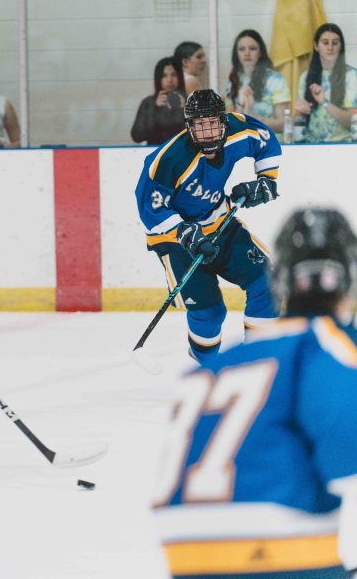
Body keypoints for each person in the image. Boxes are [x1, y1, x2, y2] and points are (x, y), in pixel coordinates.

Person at [153, 207, 357, 578]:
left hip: (184, 558)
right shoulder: (326, 345)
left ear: (280, 281)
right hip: (280, 556)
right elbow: (344, 451)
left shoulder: (222, 362)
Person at [134, 89, 281, 363]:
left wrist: (266, 179)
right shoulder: (168, 160)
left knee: (268, 282)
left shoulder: (238, 128)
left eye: (213, 122)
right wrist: (183, 231)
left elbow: (265, 139)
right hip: (175, 240)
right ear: (188, 126)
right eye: (200, 125)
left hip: (219, 223)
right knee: (210, 313)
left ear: (224, 121)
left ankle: (257, 360)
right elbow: (149, 207)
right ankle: (207, 365)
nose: (208, 132)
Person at [294, 23, 357, 143]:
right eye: (325, 42)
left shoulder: (352, 76)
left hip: (343, 145)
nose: (330, 47)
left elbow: (353, 121)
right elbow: (298, 123)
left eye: (335, 43)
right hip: (309, 146)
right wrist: (299, 112)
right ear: (316, 46)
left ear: (340, 47)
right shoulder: (305, 77)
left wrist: (324, 102)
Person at [224, 29, 291, 133]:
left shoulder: (276, 80)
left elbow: (283, 124)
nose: (247, 53)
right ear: (236, 54)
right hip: (242, 140)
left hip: (270, 140)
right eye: (241, 49)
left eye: (252, 48)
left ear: (260, 52)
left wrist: (252, 116)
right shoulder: (233, 81)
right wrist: (241, 107)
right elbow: (229, 123)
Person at [131, 57, 187, 146]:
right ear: (158, 78)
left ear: (180, 77)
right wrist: (154, 109)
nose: (169, 80)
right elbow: (137, 136)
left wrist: (183, 110)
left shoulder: (189, 101)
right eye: (164, 76)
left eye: (174, 75)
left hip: (181, 150)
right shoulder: (148, 102)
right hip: (156, 151)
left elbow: (195, 134)